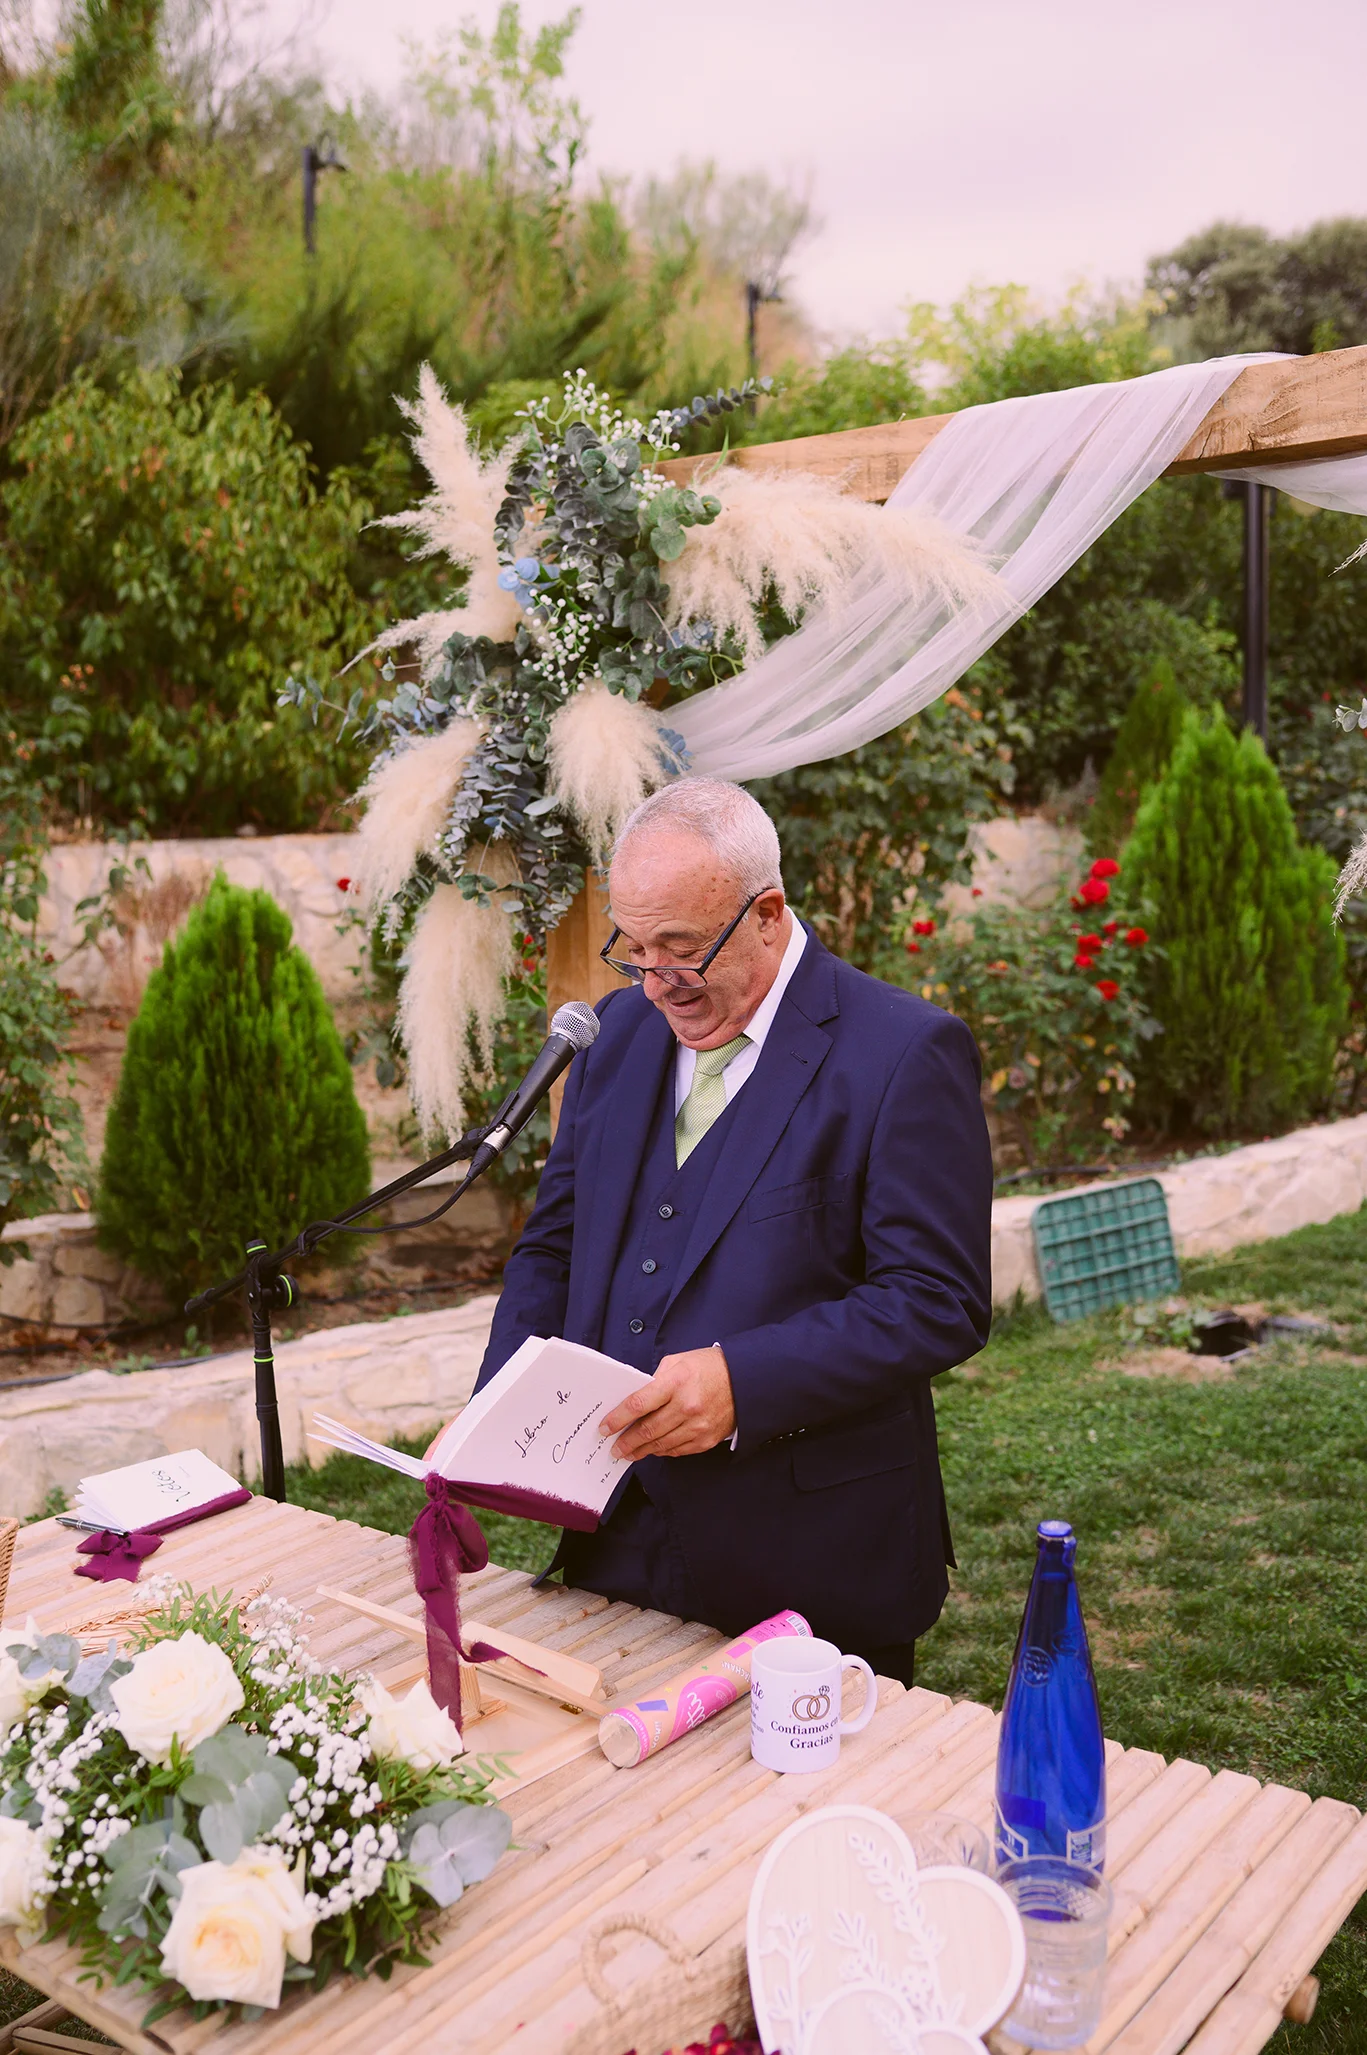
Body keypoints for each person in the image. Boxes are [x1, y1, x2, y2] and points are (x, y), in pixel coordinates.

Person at [473, 777, 992, 1685]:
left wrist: (742, 1383)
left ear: (767, 913)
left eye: (681, 949)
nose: (654, 981)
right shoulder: (615, 1035)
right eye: (633, 948)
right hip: (613, 1537)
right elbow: (553, 1246)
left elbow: (936, 1299)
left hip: (812, 1561)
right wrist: (496, 1413)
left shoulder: (905, 1052)